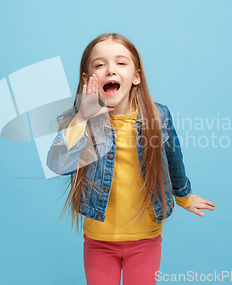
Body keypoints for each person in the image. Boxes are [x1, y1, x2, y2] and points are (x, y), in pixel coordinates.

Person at [46, 33, 215, 285]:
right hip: (99, 240)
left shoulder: (158, 116)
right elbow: (58, 165)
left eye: (121, 63)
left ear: (136, 76)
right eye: (100, 65)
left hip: (146, 238)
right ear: (87, 79)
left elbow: (173, 161)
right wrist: (81, 119)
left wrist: (184, 196)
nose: (110, 70)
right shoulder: (80, 121)